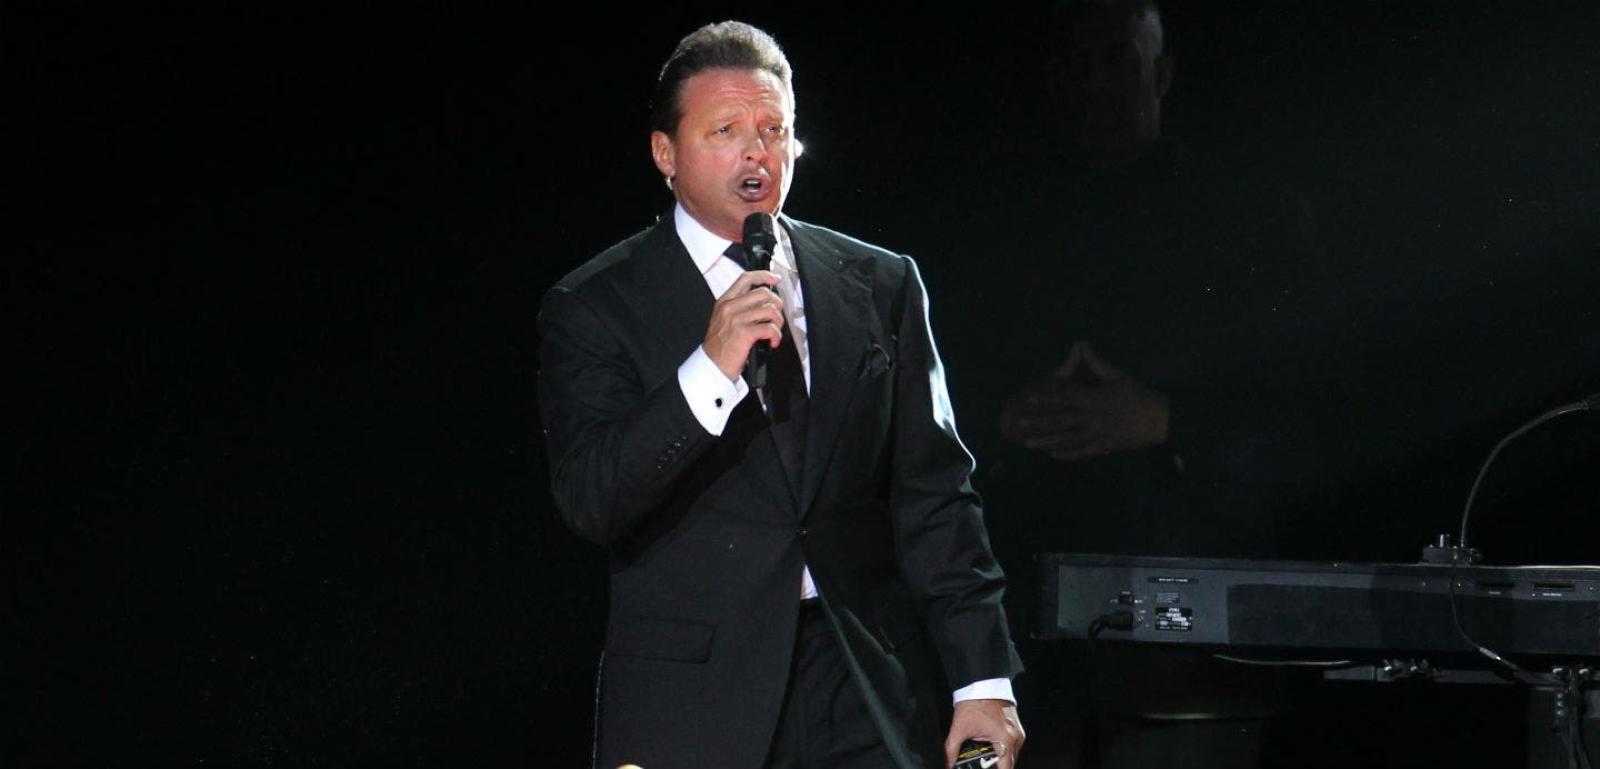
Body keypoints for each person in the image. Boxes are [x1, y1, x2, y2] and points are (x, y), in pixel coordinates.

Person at [537, 21, 1024, 769]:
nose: (756, 152)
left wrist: (982, 681)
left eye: (774, 129)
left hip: (861, 680)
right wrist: (709, 368)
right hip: (696, 698)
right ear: (665, 153)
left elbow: (935, 496)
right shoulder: (596, 304)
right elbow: (592, 498)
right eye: (725, 130)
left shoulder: (881, 282)